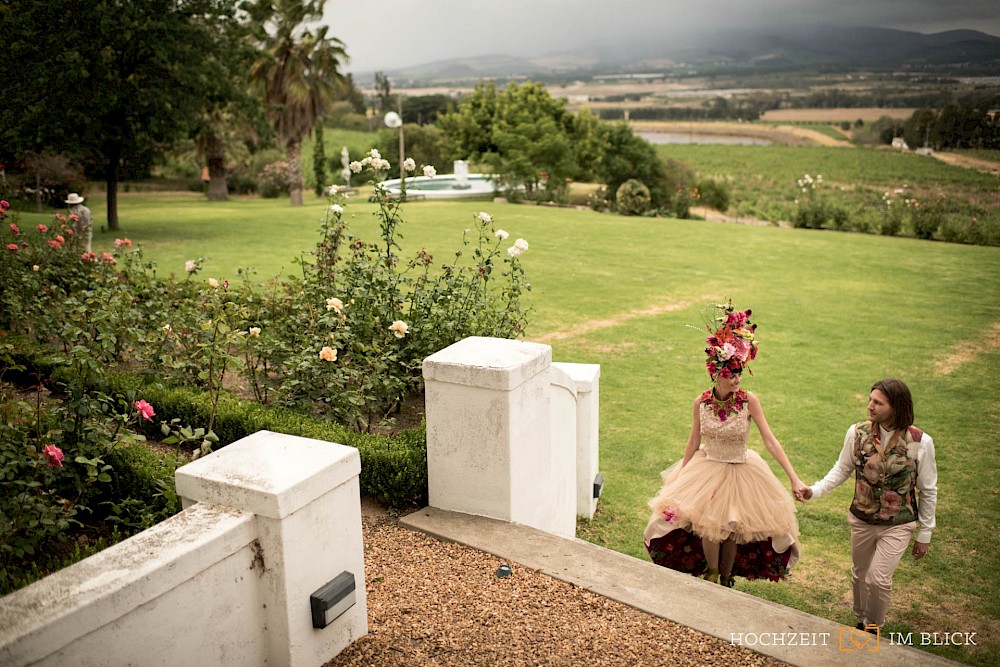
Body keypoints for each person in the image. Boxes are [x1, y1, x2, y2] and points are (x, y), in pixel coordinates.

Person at [644, 301, 806, 587]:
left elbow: (770, 440)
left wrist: (794, 478)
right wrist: (680, 474)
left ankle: (727, 577)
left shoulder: (748, 401)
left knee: (733, 527)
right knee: (708, 526)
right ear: (715, 373)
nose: (736, 379)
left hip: (741, 469)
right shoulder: (701, 403)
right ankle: (712, 572)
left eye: (739, 373)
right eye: (730, 374)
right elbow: (694, 441)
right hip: (707, 468)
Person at [796, 378, 937, 632]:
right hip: (862, 518)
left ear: (895, 407)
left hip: (898, 523)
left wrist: (925, 533)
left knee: (878, 579)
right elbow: (841, 470)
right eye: (870, 399)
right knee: (860, 574)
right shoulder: (856, 433)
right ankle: (861, 620)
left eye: (877, 402)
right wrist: (813, 491)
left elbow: (928, 490)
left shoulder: (920, 442)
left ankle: (874, 627)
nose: (869, 406)